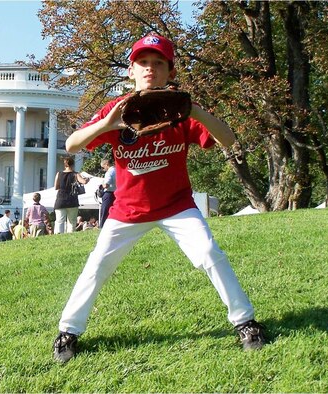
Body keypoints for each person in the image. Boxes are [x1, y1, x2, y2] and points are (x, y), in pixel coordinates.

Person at [52, 33, 266, 363]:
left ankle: (245, 322)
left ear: (170, 72)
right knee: (97, 265)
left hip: (176, 206)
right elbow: (72, 146)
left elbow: (227, 138)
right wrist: (106, 125)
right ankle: (68, 331)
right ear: (131, 70)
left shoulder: (178, 107)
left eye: (158, 63)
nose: (150, 68)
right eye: (143, 62)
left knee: (210, 252)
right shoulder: (117, 109)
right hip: (128, 210)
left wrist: (194, 111)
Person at [53, 156, 89, 234]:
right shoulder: (75, 174)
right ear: (73, 164)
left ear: (65, 164)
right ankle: (70, 235)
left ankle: (58, 235)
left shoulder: (59, 174)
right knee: (72, 221)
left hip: (61, 199)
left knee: (59, 220)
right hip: (72, 199)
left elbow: (56, 187)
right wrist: (87, 179)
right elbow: (84, 182)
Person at [99, 158, 116, 228]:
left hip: (109, 194)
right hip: (116, 193)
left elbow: (106, 185)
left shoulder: (109, 172)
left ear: (107, 164)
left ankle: (102, 227)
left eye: (103, 167)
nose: (103, 169)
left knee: (105, 212)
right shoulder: (116, 170)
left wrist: (102, 184)